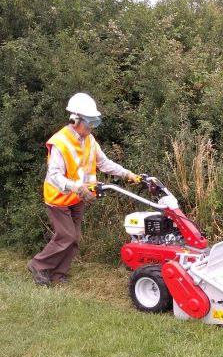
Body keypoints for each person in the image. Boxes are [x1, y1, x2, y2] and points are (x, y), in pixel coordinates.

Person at [27, 92, 140, 285]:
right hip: (59, 197)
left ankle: (58, 274)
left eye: (94, 123)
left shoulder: (89, 139)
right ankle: (39, 265)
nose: (92, 127)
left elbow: (104, 163)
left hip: (79, 198)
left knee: (75, 237)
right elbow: (53, 176)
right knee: (66, 235)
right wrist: (76, 187)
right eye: (89, 123)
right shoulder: (60, 142)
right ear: (75, 120)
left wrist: (127, 173)